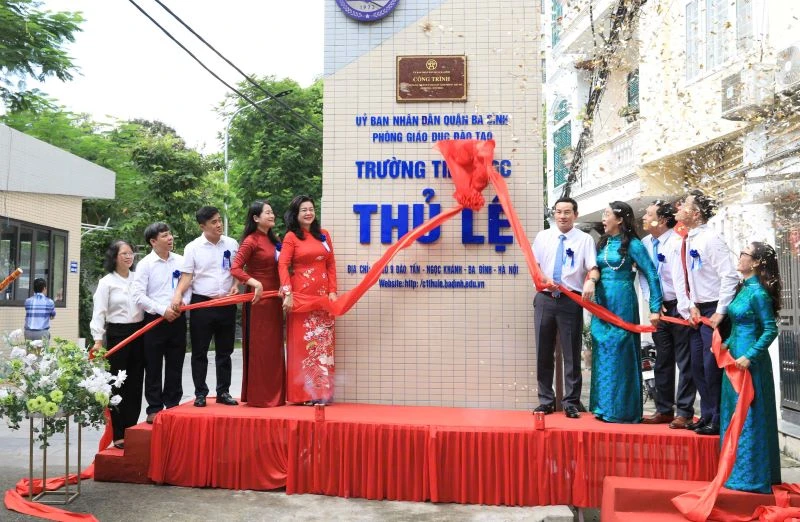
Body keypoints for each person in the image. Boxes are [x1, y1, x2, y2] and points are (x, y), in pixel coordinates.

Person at [672, 190, 739, 436]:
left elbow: (729, 276)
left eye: (685, 204)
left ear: (696, 213)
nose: (678, 207)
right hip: (697, 311)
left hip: (713, 311)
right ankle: (707, 414)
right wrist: (689, 305)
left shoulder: (710, 239)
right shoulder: (688, 238)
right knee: (698, 367)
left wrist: (721, 312)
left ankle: (719, 419)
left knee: (712, 368)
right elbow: (686, 277)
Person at [588, 201, 662, 423]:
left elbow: (651, 273)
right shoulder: (602, 243)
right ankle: (603, 406)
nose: (603, 217)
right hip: (602, 301)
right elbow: (594, 268)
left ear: (619, 219)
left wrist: (655, 307)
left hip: (622, 301)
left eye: (607, 213)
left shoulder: (633, 245)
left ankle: (621, 410)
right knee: (603, 350)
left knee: (620, 352)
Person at [720, 241, 780, 493]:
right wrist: (726, 343)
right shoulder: (743, 288)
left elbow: (770, 329)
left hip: (749, 363)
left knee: (750, 415)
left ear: (755, 262)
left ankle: (751, 476)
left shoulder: (758, 293)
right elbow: (737, 325)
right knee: (732, 412)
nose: (739, 256)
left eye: (743, 253)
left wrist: (751, 355)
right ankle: (732, 470)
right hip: (733, 359)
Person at [532, 197, 598, 419]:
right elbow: (535, 266)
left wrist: (591, 280)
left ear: (575, 215)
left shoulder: (585, 239)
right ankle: (546, 401)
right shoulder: (543, 237)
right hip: (545, 298)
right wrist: (543, 279)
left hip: (571, 300)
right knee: (543, 351)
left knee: (571, 351)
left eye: (567, 212)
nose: (562, 216)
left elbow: (593, 267)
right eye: (559, 212)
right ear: (554, 214)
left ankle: (571, 401)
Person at [172, 206, 239, 407]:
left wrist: (236, 285)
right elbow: (187, 276)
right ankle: (200, 392)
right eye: (214, 222)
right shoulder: (193, 247)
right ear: (203, 226)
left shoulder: (232, 244)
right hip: (202, 303)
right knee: (200, 351)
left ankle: (223, 391)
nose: (219, 225)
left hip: (226, 303)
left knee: (225, 351)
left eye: (219, 220)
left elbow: (237, 271)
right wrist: (177, 295)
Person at [639, 200, 696, 429]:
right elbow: (644, 275)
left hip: (679, 307)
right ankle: (663, 409)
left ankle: (684, 411)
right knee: (662, 360)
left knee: (685, 361)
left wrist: (684, 307)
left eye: (648, 213)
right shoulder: (644, 243)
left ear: (661, 220)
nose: (644, 216)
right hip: (658, 309)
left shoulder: (677, 241)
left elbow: (685, 277)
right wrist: (652, 302)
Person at [278, 195, 338, 405]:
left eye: (311, 209)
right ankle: (304, 395)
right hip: (301, 297)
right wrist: (287, 293)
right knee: (304, 347)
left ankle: (322, 393)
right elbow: (283, 265)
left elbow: (331, 264)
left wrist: (333, 291)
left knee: (323, 345)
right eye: (304, 210)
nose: (308, 213)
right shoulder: (291, 238)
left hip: (322, 298)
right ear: (296, 214)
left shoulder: (323, 235)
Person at [132, 223, 190, 424]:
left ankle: (173, 403)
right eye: (165, 236)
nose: (170, 238)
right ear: (153, 241)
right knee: (153, 365)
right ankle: (154, 407)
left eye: (170, 234)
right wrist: (162, 310)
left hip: (178, 317)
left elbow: (188, 286)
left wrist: (182, 304)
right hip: (154, 320)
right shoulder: (145, 264)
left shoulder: (182, 261)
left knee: (176, 362)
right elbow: (138, 295)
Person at [90, 240, 145, 449]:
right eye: (124, 253)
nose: (128, 257)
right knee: (117, 382)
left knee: (136, 381)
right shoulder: (107, 282)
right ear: (114, 257)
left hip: (139, 331)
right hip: (117, 333)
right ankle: (119, 432)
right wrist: (97, 340)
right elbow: (99, 313)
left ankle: (132, 428)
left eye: (131, 253)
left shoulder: (138, 279)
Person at [230, 201, 286, 407]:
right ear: (255, 218)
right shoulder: (251, 241)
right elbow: (235, 268)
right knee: (261, 349)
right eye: (268, 213)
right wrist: (253, 282)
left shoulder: (275, 240)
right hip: (258, 301)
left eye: (272, 212)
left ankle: (278, 395)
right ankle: (261, 397)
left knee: (275, 348)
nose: (272, 215)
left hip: (275, 300)